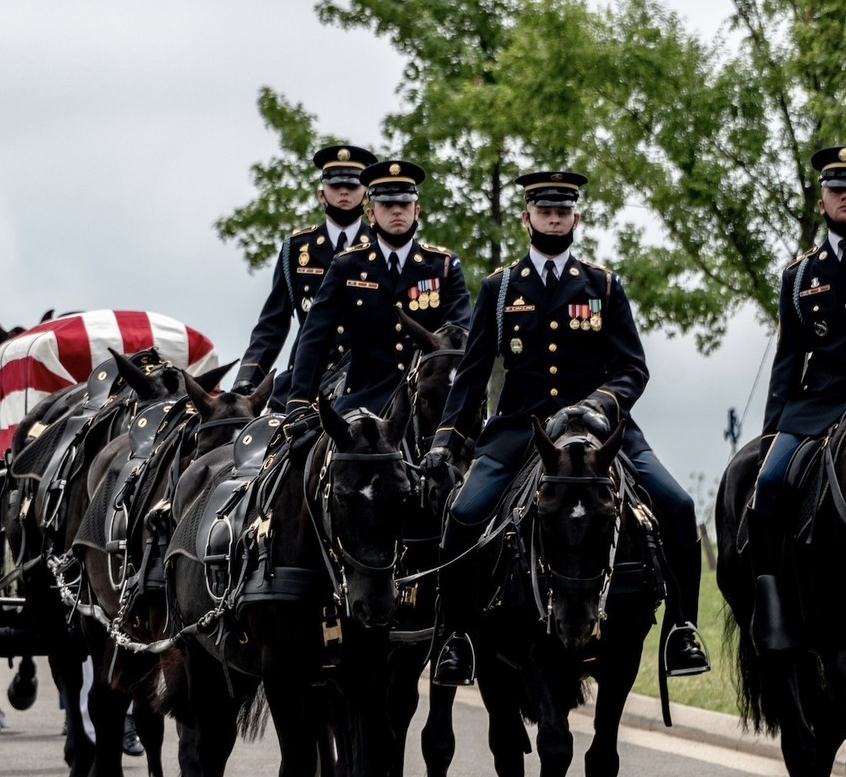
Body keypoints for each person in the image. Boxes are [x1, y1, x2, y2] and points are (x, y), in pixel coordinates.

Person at [421, 171, 709, 684]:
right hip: (518, 430)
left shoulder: (602, 285)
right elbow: (473, 371)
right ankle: (458, 638)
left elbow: (632, 369)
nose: (554, 218)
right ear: (526, 217)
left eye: (563, 210)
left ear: (576, 217)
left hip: (602, 430)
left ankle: (681, 629)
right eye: (544, 210)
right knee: (463, 514)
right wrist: (448, 438)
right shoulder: (499, 287)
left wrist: (600, 404)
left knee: (679, 505)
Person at [746, 144, 846, 640]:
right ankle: (775, 605)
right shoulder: (800, 276)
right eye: (837, 190)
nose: (845, 198)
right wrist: (770, 435)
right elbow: (788, 362)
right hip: (816, 405)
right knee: (767, 484)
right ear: (823, 200)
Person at [286, 158, 472, 413]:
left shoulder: (442, 266)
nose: (397, 211)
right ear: (371, 213)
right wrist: (298, 402)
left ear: (416, 211)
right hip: (362, 399)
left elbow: (459, 336)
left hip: (427, 400)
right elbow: (315, 337)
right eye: (387, 204)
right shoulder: (347, 265)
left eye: (404, 204)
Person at [233, 144, 377, 407]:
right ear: (321, 195)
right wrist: (248, 378)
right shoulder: (298, 247)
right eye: (336, 186)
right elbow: (273, 322)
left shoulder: (381, 248)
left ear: (366, 195)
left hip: (366, 380)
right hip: (305, 379)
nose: (344, 192)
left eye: (353, 186)